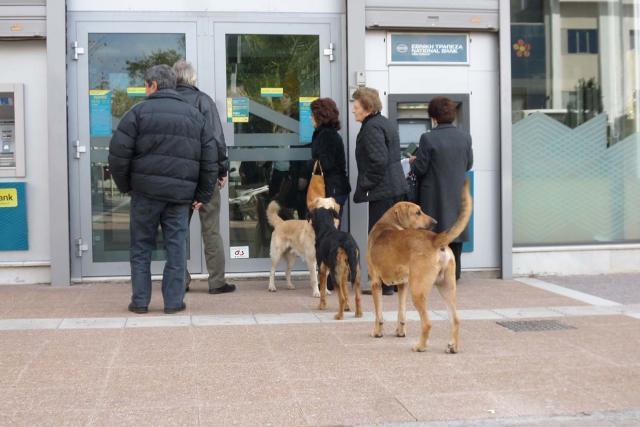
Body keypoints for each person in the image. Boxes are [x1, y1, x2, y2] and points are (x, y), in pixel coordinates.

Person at [109, 64, 218, 314]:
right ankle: (173, 302)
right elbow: (210, 159)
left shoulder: (137, 114)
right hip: (179, 198)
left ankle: (139, 302)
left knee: (140, 247)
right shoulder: (195, 116)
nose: (145, 90)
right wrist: (201, 194)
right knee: (176, 248)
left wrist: (127, 186)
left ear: (153, 85)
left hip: (145, 194)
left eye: (146, 86)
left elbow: (117, 155)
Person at [173, 60, 236, 295]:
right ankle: (217, 281)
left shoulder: (167, 102)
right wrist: (222, 170)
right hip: (204, 175)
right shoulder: (204, 102)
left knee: (176, 230)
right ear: (193, 79)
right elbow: (216, 140)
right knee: (211, 229)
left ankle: (180, 280)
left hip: (177, 179)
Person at [352, 87, 408, 296]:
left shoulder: (371, 128)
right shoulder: (384, 123)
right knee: (392, 238)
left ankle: (384, 283)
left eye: (356, 106)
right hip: (393, 188)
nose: (353, 110)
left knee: (380, 238)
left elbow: (378, 161)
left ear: (367, 107)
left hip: (383, 191)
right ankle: (390, 283)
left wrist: (366, 184)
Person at [410, 96, 473, 280]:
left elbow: (420, 168)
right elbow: (468, 164)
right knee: (456, 231)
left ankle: (433, 274)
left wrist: (413, 161)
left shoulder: (428, 138)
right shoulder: (465, 137)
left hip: (434, 195)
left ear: (434, 117)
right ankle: (455, 274)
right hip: (457, 194)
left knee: (432, 237)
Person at [310, 97, 351, 221]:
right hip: (334, 188)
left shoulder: (326, 135)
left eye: (312, 114)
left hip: (331, 190)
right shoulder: (327, 134)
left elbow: (326, 163)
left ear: (320, 116)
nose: (310, 117)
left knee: (328, 231)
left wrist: (306, 166)